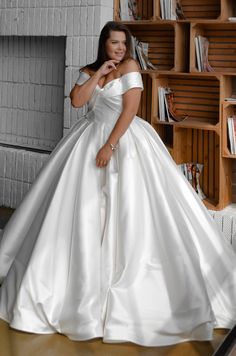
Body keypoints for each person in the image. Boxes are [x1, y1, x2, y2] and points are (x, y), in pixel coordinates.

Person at [0, 20, 235, 347]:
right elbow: (78, 103)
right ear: (103, 45)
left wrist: (109, 146)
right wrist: (97, 75)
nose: (120, 49)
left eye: (124, 43)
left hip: (124, 142)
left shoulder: (131, 68)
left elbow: (130, 110)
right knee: (78, 214)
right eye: (114, 43)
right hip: (85, 139)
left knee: (128, 213)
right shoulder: (90, 70)